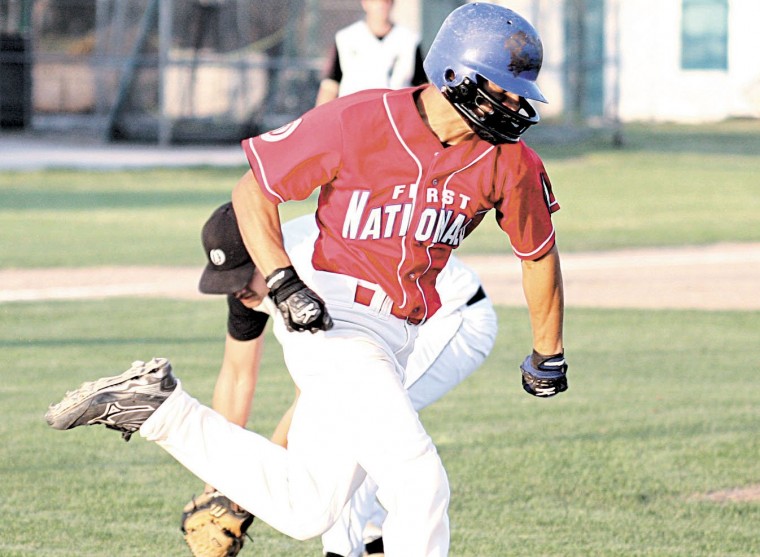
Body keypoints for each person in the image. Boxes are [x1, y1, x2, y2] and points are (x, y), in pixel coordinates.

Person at [45, 5, 568, 556]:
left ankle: (158, 408)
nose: (515, 104)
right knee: (419, 485)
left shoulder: (511, 162)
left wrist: (547, 351)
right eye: (502, 90)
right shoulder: (359, 119)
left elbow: (538, 254)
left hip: (400, 335)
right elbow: (254, 189)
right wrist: (282, 279)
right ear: (455, 75)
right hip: (339, 317)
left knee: (307, 506)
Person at [193, 203, 496, 556]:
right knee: (356, 437)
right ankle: (374, 541)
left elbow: (314, 395)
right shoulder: (255, 283)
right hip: (387, 328)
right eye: (228, 280)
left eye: (243, 275)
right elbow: (236, 377)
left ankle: (347, 549)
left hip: (450, 319)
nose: (237, 289)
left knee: (348, 430)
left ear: (266, 248)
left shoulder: (311, 273)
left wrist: (248, 492)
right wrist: (216, 485)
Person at [314, 0, 427, 106]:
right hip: (354, 115)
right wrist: (318, 122)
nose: (380, 5)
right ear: (364, 3)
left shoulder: (409, 40)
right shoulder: (346, 38)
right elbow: (330, 86)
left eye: (385, 0)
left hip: (394, 117)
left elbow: (422, 86)